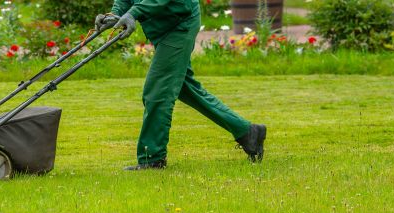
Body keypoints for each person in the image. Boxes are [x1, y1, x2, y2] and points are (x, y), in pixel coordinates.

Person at [95, 0, 267, 170]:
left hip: (180, 24)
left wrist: (133, 13)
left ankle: (152, 158)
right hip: (161, 25)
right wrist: (115, 14)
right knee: (186, 88)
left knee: (157, 91)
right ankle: (248, 133)